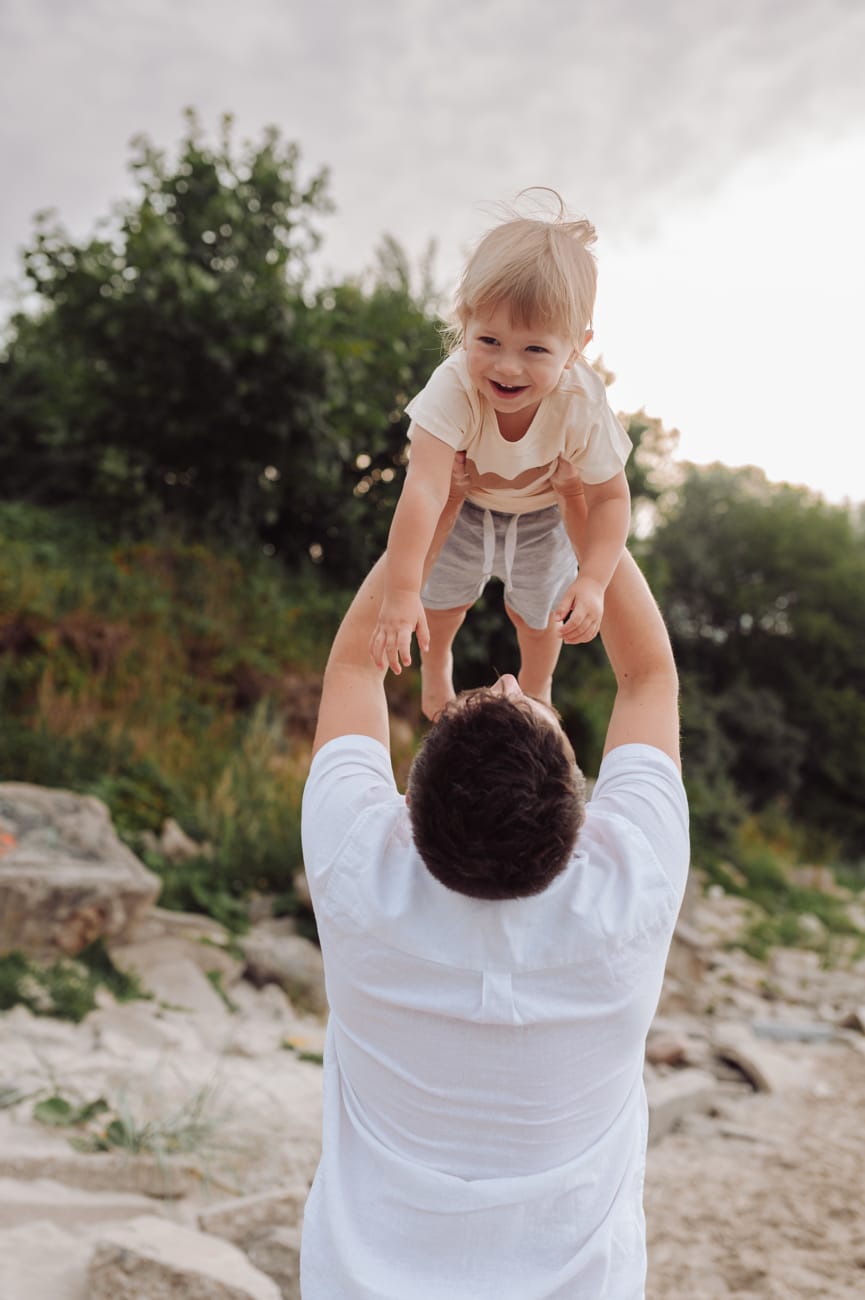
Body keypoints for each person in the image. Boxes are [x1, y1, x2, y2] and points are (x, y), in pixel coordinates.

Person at [300, 469, 689, 1299]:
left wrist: (439, 502)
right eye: (514, 695)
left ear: (407, 802)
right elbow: (647, 676)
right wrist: (585, 482)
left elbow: (350, 668)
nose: (510, 677)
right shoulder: (629, 892)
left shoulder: (359, 875)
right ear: (575, 799)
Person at [369, 196, 632, 721]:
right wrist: (401, 593)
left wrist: (594, 581)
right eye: (489, 340)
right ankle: (438, 658)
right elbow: (423, 490)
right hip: (464, 509)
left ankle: (537, 684)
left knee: (540, 617)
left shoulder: (582, 401)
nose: (507, 367)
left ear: (575, 350)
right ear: (464, 324)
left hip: (541, 516)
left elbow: (610, 498)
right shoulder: (453, 387)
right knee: (440, 601)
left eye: (535, 350)